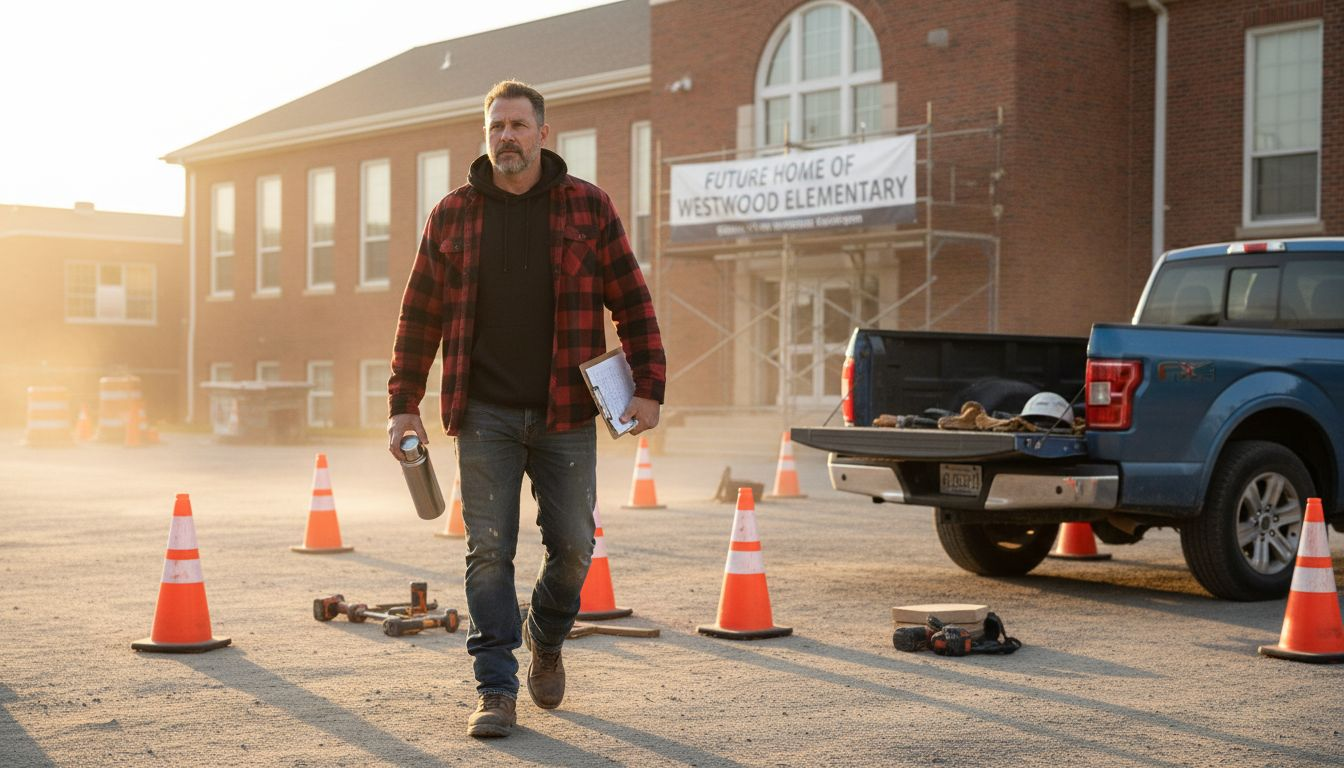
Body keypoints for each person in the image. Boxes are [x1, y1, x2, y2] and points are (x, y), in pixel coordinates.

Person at [386, 80, 666, 738]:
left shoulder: (588, 208)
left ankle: (545, 637)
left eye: (518, 125)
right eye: (496, 127)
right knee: (488, 552)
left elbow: (632, 300)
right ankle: (495, 688)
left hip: (565, 411)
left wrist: (648, 384)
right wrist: (404, 404)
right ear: (486, 137)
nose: (506, 136)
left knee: (573, 547)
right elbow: (418, 316)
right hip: (482, 413)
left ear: (543, 133)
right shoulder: (451, 215)